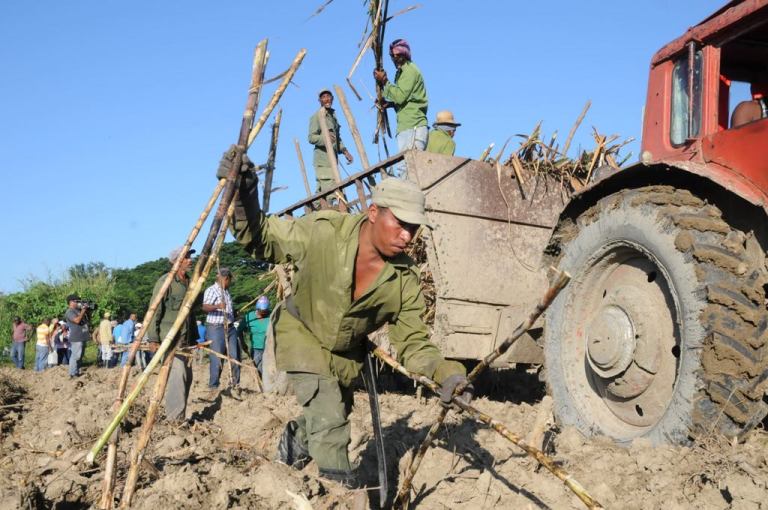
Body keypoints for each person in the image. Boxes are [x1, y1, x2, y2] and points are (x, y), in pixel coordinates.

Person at [219, 148, 473, 489]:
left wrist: (446, 372)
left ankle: (292, 444)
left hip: (344, 354)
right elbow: (262, 239)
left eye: (413, 228)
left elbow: (413, 344)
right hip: (302, 332)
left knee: (329, 414)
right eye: (399, 224)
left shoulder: (404, 279)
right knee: (330, 422)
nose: (407, 236)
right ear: (372, 212)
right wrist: (244, 195)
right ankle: (339, 493)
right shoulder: (324, 231)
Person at [147, 246, 198, 423]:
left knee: (187, 377)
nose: (190, 260)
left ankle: (179, 415)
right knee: (178, 375)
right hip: (169, 338)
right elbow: (155, 310)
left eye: (190, 257)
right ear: (176, 261)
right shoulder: (165, 282)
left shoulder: (190, 282)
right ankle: (174, 419)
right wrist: (153, 338)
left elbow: (191, 312)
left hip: (186, 338)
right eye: (185, 257)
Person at [373, 38, 428, 178]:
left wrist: (385, 81)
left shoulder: (409, 71)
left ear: (405, 55)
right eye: (393, 56)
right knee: (405, 168)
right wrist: (389, 104)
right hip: (405, 126)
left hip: (413, 126)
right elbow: (403, 100)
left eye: (398, 56)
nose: (395, 59)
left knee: (409, 168)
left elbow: (400, 97)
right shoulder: (401, 73)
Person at [308, 88, 354, 193]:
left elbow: (337, 138)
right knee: (331, 188)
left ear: (332, 99)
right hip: (323, 159)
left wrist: (345, 151)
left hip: (333, 158)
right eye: (323, 97)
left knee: (323, 191)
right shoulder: (316, 116)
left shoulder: (333, 117)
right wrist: (325, 138)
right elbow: (311, 137)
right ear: (319, 101)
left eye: (328, 96)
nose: (327, 99)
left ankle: (316, 208)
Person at [203, 267, 240, 389]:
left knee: (234, 356)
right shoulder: (211, 290)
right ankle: (213, 386)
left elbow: (228, 308)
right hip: (216, 328)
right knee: (217, 357)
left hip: (230, 327)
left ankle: (235, 384)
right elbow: (205, 307)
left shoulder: (226, 292)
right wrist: (218, 306)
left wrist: (234, 312)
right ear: (225, 278)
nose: (230, 283)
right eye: (229, 280)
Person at [238, 296, 270, 374]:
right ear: (257, 309)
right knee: (259, 369)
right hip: (256, 349)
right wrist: (243, 344)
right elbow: (239, 331)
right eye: (261, 311)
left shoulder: (272, 315)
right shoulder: (249, 317)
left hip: (270, 347)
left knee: (269, 370)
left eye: (265, 311)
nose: (263, 313)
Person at [64, 294, 91, 378]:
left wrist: (87, 311)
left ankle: (77, 372)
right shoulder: (70, 311)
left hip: (82, 336)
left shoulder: (78, 310)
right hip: (76, 337)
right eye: (77, 301)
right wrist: (83, 310)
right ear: (71, 302)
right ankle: (72, 373)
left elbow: (87, 320)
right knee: (76, 356)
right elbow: (77, 320)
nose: (79, 303)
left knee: (80, 356)